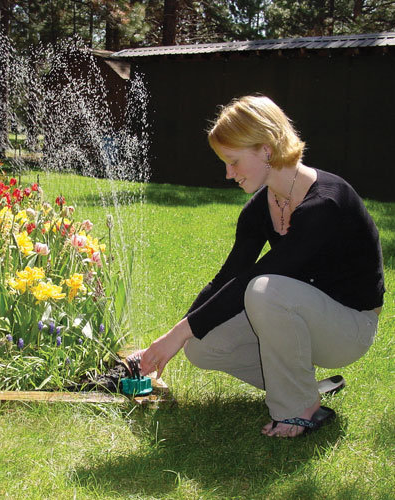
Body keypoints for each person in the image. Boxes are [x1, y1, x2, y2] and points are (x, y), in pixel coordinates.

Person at [129, 95, 384, 438]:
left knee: (264, 289)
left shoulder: (326, 203)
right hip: (298, 315)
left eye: (233, 161)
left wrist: (176, 334)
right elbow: (228, 277)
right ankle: (303, 388)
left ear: (266, 149)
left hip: (349, 327)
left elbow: (254, 280)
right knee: (202, 345)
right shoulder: (260, 208)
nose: (228, 173)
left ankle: (300, 410)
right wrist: (176, 337)